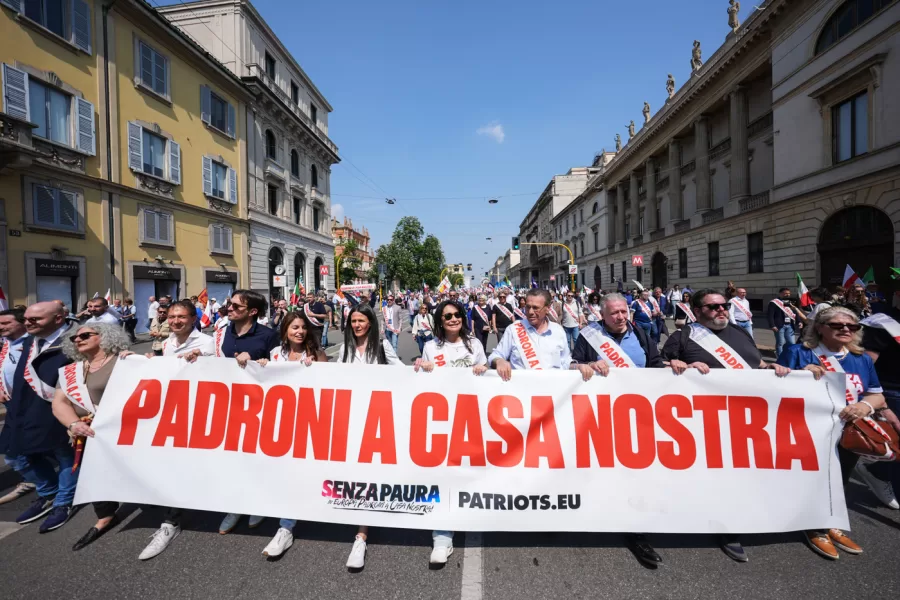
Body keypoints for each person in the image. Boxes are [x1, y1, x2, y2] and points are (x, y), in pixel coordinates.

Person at [666, 289, 790, 562]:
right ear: (697, 312)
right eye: (713, 308)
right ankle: (726, 528)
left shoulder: (741, 332)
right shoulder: (682, 337)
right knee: (718, 476)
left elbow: (755, 362)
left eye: (723, 306)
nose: (721, 310)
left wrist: (770, 368)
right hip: (704, 421)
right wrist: (676, 364)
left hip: (748, 418)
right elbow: (661, 372)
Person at [776, 306, 888, 559]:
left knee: (841, 479)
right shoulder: (798, 353)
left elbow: (876, 393)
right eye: (837, 325)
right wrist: (798, 376)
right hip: (808, 432)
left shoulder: (862, 359)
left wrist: (864, 405)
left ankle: (833, 524)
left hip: (848, 433)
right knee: (812, 480)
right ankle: (814, 528)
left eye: (852, 326)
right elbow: (774, 387)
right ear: (820, 328)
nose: (846, 329)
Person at [569, 292, 665, 566]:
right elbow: (572, 366)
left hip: (640, 415)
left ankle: (636, 528)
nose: (621, 317)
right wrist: (585, 365)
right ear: (603, 315)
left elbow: (656, 365)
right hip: (601, 416)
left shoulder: (641, 334)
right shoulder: (589, 337)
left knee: (636, 471)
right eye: (615, 313)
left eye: (624, 311)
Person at [413, 300, 488, 564]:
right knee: (443, 473)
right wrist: (423, 368)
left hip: (471, 417)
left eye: (457, 315)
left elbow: (487, 374)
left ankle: (470, 512)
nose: (453, 319)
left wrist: (483, 369)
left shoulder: (475, 344)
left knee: (469, 470)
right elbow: (423, 380)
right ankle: (442, 535)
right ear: (440, 321)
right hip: (442, 420)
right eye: (447, 317)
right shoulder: (432, 347)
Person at [251, 310, 327, 558]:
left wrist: (316, 370)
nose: (300, 332)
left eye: (303, 328)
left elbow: (330, 388)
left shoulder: (317, 354)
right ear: (285, 330)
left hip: (309, 423)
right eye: (294, 327)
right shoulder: (275, 354)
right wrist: (261, 367)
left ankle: (286, 527)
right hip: (280, 423)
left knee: (300, 473)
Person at [51, 322, 130, 550]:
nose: (78, 340)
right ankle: (105, 515)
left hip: (120, 431)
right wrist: (73, 423)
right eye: (75, 338)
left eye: (85, 335)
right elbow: (59, 402)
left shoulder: (122, 361)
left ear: (104, 336)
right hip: (86, 433)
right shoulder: (71, 371)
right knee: (94, 475)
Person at [0, 302, 76, 532]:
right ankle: (48, 492)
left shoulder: (74, 342)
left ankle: (63, 503)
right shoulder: (28, 342)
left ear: (58, 319)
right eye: (26, 319)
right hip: (22, 407)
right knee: (19, 454)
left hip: (57, 409)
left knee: (64, 455)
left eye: (35, 319)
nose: (28, 323)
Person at [337, 303, 401, 569]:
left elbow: (401, 372)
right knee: (356, 471)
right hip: (351, 417)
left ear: (371, 323)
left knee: (370, 471)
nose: (357, 325)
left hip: (378, 417)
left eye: (361, 321)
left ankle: (361, 535)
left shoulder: (383, 347)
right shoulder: (345, 349)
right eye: (353, 321)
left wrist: (420, 366)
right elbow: (334, 378)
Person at [857, 306, 900, 510]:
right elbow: (866, 363)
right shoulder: (884, 323)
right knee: (897, 443)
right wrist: (875, 402)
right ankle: (879, 473)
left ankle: (879, 470)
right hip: (892, 391)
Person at [489, 289, 571, 379]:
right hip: (522, 389)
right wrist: (499, 361)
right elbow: (495, 356)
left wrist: (577, 367)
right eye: (528, 307)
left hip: (552, 389)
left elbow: (566, 361)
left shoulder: (558, 331)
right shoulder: (513, 329)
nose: (530, 312)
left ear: (547, 308)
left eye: (535, 308)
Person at [0, 308, 37, 505]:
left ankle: (45, 487)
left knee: (14, 452)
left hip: (29, 405)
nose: (1, 327)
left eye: (6, 323)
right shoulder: (7, 343)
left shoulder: (33, 343)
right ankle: (34, 480)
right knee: (13, 450)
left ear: (22, 323)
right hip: (12, 404)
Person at [768, 287, 798, 359]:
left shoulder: (791, 302)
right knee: (781, 342)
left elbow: (795, 313)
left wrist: (799, 322)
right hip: (779, 325)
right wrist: (772, 325)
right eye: (785, 293)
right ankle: (780, 358)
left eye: (788, 294)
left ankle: (789, 357)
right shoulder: (774, 302)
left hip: (790, 325)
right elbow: (770, 315)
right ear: (780, 293)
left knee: (791, 343)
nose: (787, 295)